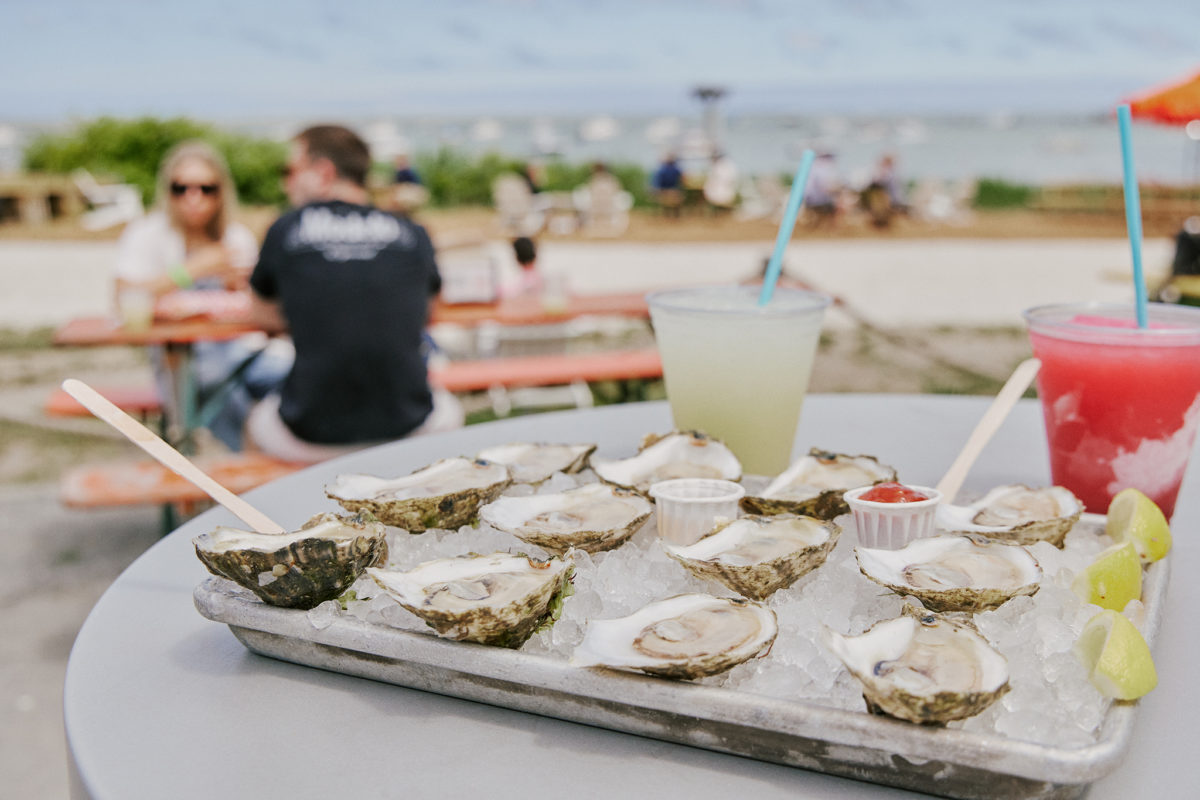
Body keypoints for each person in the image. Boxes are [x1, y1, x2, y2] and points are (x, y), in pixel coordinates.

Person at [244, 124, 463, 463]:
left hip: (312, 430)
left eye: (289, 170)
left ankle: (265, 511)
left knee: (254, 422)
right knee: (450, 409)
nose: (285, 182)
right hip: (410, 421)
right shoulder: (412, 231)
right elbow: (428, 311)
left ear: (323, 172)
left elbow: (260, 314)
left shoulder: (286, 228)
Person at [112, 139, 291, 451]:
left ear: (222, 192)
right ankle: (250, 465)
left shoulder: (236, 238)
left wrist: (241, 288)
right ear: (167, 191)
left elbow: (259, 306)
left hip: (241, 353)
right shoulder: (147, 235)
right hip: (180, 362)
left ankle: (281, 462)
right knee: (220, 394)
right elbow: (122, 298)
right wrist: (189, 271)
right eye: (181, 188)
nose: (193, 198)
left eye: (206, 188)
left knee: (297, 378)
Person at [804, 151, 840, 227]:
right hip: (816, 199)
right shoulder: (821, 169)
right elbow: (824, 187)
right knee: (838, 205)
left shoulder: (813, 167)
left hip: (811, 198)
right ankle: (832, 228)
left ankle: (824, 227)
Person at [651, 152, 684, 218]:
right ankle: (675, 216)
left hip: (664, 191)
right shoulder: (676, 169)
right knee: (675, 202)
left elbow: (657, 182)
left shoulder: (662, 170)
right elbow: (682, 179)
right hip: (674, 191)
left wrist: (657, 190)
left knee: (667, 202)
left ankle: (667, 215)